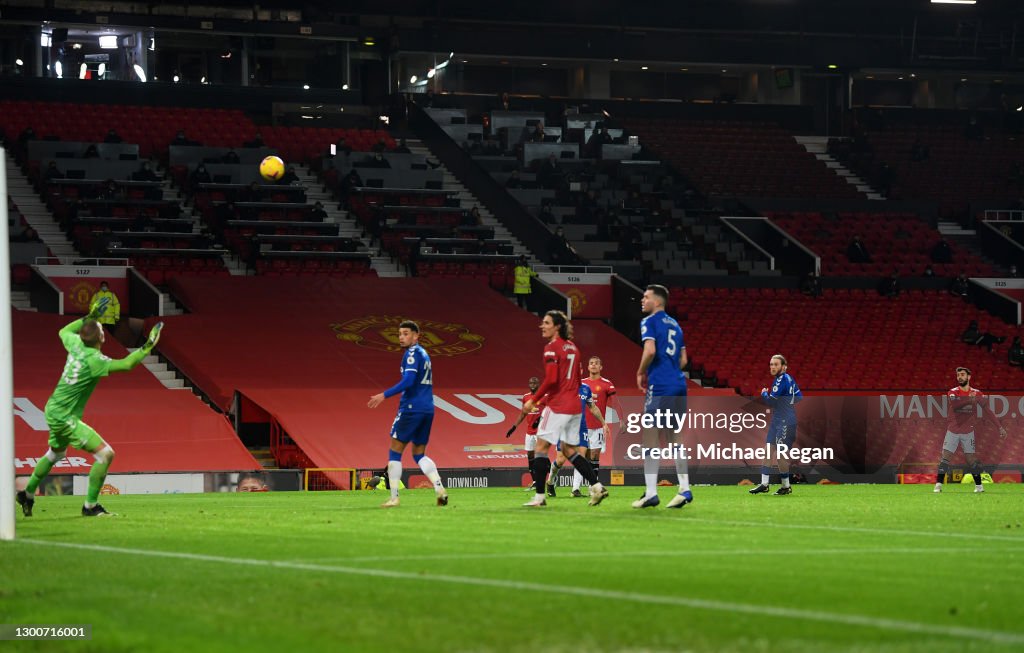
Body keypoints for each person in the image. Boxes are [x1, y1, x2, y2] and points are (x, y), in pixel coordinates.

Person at [16, 300, 163, 518]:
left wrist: (89, 316)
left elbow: (63, 330)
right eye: (101, 329)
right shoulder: (95, 360)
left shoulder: (74, 343)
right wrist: (147, 346)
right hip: (64, 416)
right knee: (105, 454)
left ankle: (27, 494)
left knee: (56, 453)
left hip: (54, 408)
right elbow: (126, 365)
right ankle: (90, 506)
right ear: (102, 338)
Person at [521, 310, 608, 507]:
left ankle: (540, 497)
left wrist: (534, 399)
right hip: (575, 406)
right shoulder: (574, 348)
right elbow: (578, 379)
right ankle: (597, 487)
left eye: (546, 323)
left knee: (541, 448)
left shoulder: (552, 348)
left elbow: (551, 379)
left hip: (559, 405)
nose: (542, 326)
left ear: (557, 326)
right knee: (570, 450)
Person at [367, 320, 448, 508]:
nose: (401, 337)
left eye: (406, 333)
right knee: (419, 453)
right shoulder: (424, 354)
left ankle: (394, 497)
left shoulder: (412, 354)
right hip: (428, 408)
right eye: (400, 334)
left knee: (394, 451)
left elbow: (409, 380)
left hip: (411, 408)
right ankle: (439, 489)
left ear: (416, 336)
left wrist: (383, 395)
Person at [633, 284, 693, 509]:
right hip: (679, 384)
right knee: (674, 436)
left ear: (657, 302)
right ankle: (684, 488)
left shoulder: (649, 321)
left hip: (660, 386)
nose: (642, 300)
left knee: (650, 436)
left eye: (646, 297)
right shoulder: (676, 325)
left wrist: (641, 372)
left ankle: (650, 493)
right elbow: (684, 360)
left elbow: (649, 350)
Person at [934, 367, 1007, 494]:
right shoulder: (953, 392)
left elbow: (988, 411)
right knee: (946, 457)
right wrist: (969, 399)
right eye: (958, 375)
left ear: (969, 377)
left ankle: (979, 487)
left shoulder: (977, 393)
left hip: (968, 431)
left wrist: (999, 427)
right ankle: (938, 486)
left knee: (972, 459)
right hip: (953, 430)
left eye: (962, 375)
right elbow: (956, 405)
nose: (960, 377)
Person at [748, 355, 803, 496]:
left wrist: (764, 394)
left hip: (785, 421)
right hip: (778, 420)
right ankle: (764, 484)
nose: (772, 367)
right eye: (771, 364)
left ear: (784, 366)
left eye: (776, 364)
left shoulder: (780, 380)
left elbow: (771, 402)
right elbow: (798, 397)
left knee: (780, 455)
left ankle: (786, 486)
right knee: (767, 451)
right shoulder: (789, 378)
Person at [572, 356, 617, 497]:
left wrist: (604, 423)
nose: (593, 365)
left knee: (594, 456)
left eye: (596, 363)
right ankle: (575, 488)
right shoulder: (581, 384)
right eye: (591, 363)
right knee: (580, 456)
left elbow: (595, 406)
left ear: (601, 367)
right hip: (580, 426)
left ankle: (593, 487)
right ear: (587, 367)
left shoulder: (606, 383)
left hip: (597, 426)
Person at [505, 376, 546, 491]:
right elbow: (523, 413)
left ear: (539, 384)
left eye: (535, 382)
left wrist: (539, 420)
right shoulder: (526, 397)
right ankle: (535, 481)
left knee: (541, 456)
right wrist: (514, 427)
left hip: (540, 432)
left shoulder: (545, 396)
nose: (532, 384)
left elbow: (550, 411)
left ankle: (550, 477)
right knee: (530, 456)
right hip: (529, 432)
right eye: (530, 382)